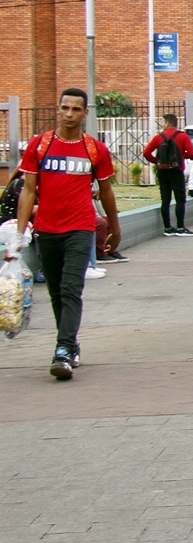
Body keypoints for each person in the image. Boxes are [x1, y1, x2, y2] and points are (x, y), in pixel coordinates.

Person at [13, 88, 120, 380]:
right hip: (46, 230)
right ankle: (71, 345)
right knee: (56, 292)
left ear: (85, 114)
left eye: (76, 109)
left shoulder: (94, 149)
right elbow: (29, 190)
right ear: (58, 110)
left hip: (80, 228)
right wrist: (20, 233)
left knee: (72, 289)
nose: (69, 114)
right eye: (65, 108)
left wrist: (114, 227)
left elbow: (107, 192)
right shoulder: (40, 145)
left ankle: (62, 349)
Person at [142, 114, 193, 236]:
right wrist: (181, 156)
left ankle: (167, 227)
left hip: (162, 171)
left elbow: (146, 153)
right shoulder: (183, 136)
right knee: (180, 199)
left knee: (165, 199)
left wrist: (156, 161)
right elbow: (192, 153)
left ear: (167, 123)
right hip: (176, 170)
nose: (162, 125)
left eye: (163, 123)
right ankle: (181, 227)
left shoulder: (158, 137)